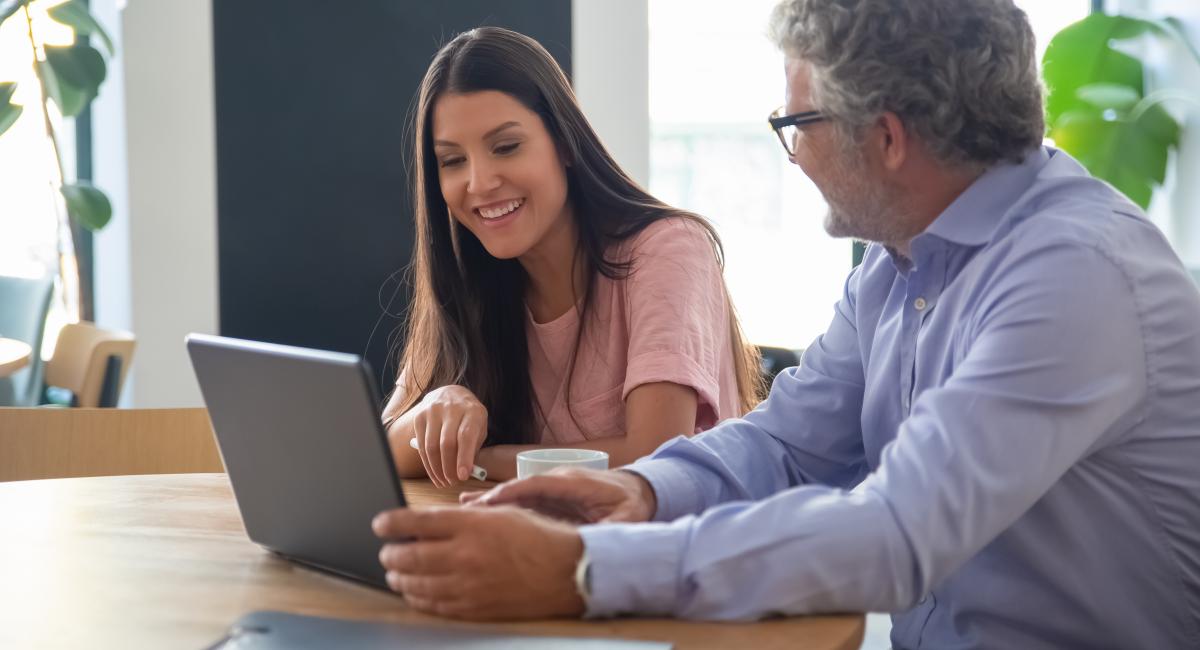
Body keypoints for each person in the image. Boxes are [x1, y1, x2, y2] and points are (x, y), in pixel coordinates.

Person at [372, 0, 1200, 645]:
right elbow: (787, 443)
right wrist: (636, 490)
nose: (793, 153)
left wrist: (583, 569)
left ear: (886, 138)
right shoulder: (898, 263)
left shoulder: (1073, 276)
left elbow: (895, 534)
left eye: (797, 125)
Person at [381, 27, 762, 487]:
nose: (479, 183)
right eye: (452, 160)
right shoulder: (470, 280)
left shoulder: (669, 250)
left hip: (667, 554)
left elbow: (655, 457)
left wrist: (478, 456)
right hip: (526, 550)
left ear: (563, 142)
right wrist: (438, 404)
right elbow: (382, 450)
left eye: (506, 147)